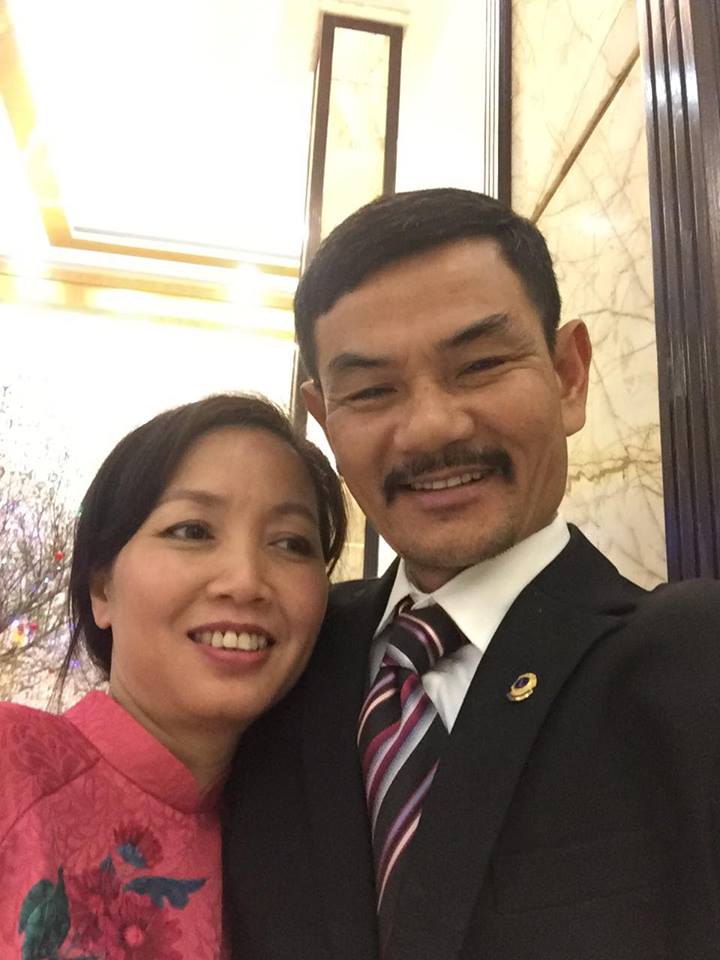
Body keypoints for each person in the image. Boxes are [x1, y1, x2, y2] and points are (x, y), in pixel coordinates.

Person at [223, 188, 720, 960]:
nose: (430, 428)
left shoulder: (691, 665)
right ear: (326, 421)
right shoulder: (278, 661)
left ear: (568, 375)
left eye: (481, 365)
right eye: (372, 391)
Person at [0, 393, 345, 959]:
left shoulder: (319, 842)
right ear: (102, 588)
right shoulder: (12, 766)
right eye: (192, 531)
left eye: (291, 543)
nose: (245, 580)